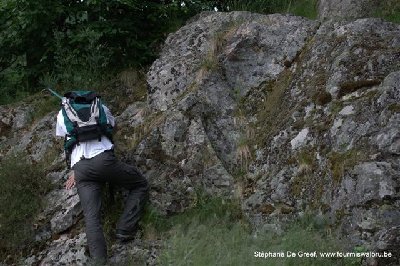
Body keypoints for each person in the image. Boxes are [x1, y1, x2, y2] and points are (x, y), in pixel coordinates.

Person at [56, 100, 149, 263]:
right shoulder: (99, 107)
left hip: (81, 168)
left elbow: (66, 141)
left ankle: (99, 261)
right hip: (103, 160)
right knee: (139, 184)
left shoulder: (63, 114)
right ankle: (125, 229)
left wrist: (74, 170)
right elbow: (112, 125)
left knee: (91, 218)